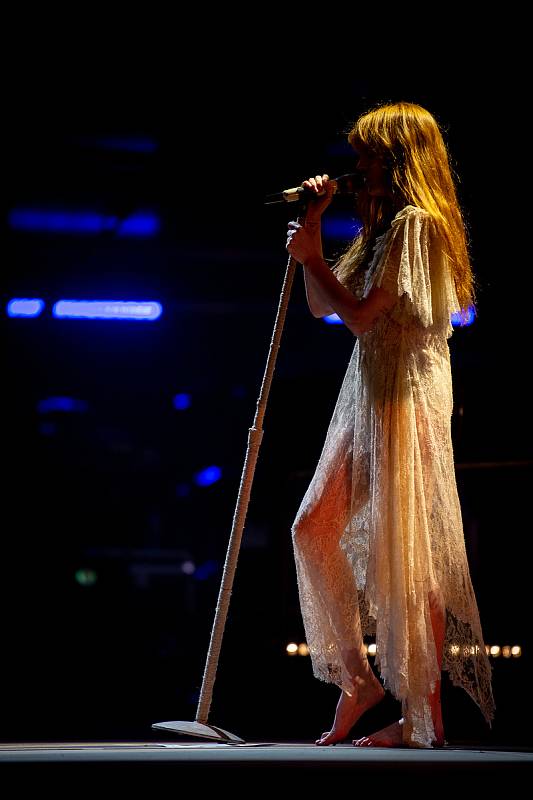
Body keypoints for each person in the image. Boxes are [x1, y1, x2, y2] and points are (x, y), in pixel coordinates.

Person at [286, 101, 495, 749]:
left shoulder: (415, 224)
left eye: (370, 156)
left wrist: (313, 260)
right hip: (369, 384)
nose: (358, 168)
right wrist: (313, 245)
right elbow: (327, 309)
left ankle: (422, 718)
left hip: (403, 388)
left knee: (409, 554)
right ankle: (360, 682)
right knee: (311, 527)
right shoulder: (385, 230)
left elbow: (360, 316)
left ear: (399, 159)